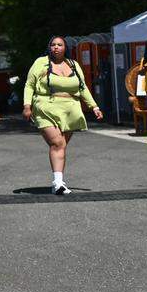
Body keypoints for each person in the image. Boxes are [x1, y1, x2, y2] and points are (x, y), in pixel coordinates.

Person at [23, 37, 103, 195]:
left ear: (65, 48)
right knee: (57, 143)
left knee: (61, 146)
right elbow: (29, 84)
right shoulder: (40, 62)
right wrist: (27, 106)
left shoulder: (73, 64)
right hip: (46, 107)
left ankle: (58, 183)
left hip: (70, 109)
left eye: (60, 45)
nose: (56, 48)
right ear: (49, 47)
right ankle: (58, 182)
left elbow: (82, 87)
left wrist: (94, 106)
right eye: (53, 45)